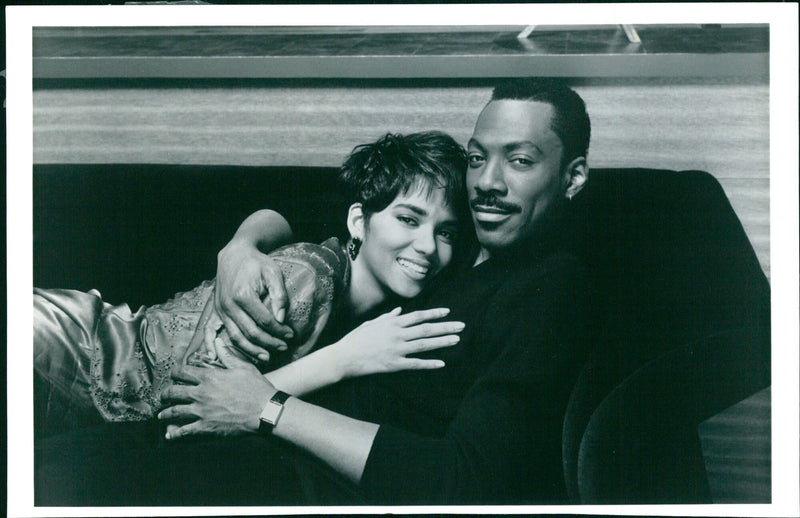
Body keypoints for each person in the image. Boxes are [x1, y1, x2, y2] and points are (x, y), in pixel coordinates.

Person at [35, 78, 596, 506]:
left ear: (572, 177)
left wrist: (270, 409)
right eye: (478, 157)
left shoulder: (552, 287)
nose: (488, 182)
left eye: (520, 160)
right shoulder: (455, 235)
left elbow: (468, 479)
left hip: (268, 465)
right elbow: (309, 217)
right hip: (116, 368)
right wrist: (239, 247)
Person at [33, 131, 472, 437]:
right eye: (409, 219)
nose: (429, 247)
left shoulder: (355, 289)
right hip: (65, 347)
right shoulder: (306, 278)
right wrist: (347, 358)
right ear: (359, 220)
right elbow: (194, 403)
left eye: (447, 232)